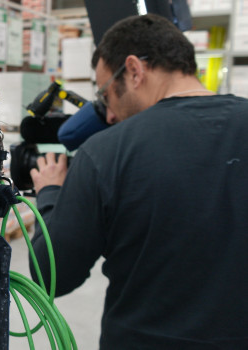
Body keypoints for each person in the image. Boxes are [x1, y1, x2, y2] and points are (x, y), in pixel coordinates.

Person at [29, 14, 248, 348]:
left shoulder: (106, 152)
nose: (110, 114)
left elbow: (51, 275)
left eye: (105, 95)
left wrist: (50, 194)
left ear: (133, 70)